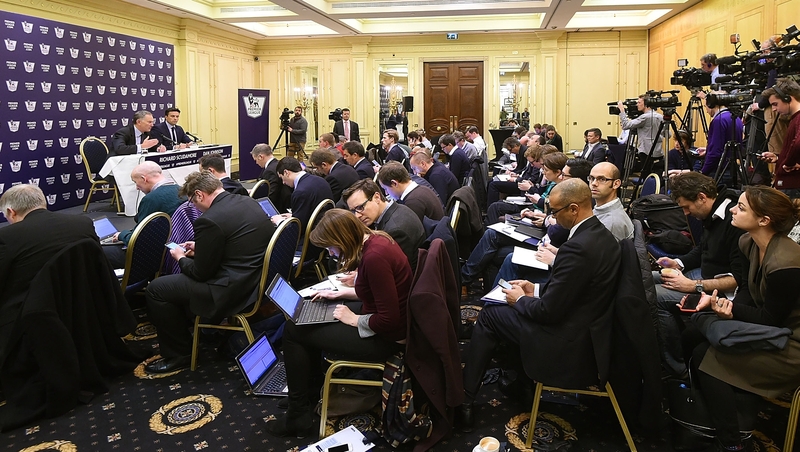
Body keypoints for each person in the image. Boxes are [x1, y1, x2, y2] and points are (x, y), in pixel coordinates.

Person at [458, 179, 621, 431]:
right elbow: (574, 290)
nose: (551, 217)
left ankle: (466, 399)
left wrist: (520, 299)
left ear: (574, 209)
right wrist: (533, 288)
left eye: (554, 212)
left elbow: (548, 312)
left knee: (491, 316)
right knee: (502, 311)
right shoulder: (600, 235)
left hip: (569, 342)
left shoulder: (577, 247)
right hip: (589, 329)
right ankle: (520, 383)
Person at [265, 209, 410, 438]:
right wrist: (342, 292)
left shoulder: (374, 258)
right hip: (382, 322)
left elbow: (388, 319)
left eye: (330, 247)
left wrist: (354, 320)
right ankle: (308, 394)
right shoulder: (376, 240)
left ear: (342, 239)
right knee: (304, 321)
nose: (331, 253)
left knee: (294, 331)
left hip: (387, 338)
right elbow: (378, 293)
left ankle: (298, 415)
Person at [680, 186, 800, 452]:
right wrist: (720, 307)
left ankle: (731, 442)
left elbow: (771, 318)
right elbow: (747, 288)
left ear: (764, 221)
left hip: (791, 342)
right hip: (771, 325)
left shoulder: (786, 263)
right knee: (694, 333)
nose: (732, 208)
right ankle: (722, 414)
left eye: (741, 207)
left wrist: (728, 310)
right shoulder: (748, 242)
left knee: (708, 356)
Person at [144, 171, 275, 373]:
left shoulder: (209, 219)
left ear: (199, 194)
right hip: (257, 278)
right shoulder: (246, 201)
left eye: (193, 203)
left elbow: (200, 274)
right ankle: (202, 329)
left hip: (231, 289)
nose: (195, 208)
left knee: (156, 289)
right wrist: (202, 247)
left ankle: (179, 354)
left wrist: (180, 257)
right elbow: (237, 241)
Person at [653, 172, 746, 376]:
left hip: (722, 293)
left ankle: (678, 367)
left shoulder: (733, 220)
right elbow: (703, 249)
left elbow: (737, 280)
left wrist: (692, 286)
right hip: (706, 277)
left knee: (652, 296)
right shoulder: (713, 211)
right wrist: (678, 263)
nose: (686, 213)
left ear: (702, 197)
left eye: (687, 207)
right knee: (650, 277)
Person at [0, 184, 99, 315]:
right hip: (85, 304)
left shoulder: (7, 236)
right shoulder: (83, 223)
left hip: (31, 316)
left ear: (11, 212)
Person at [103, 161, 185, 269]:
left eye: (135, 182)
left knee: (100, 252)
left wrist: (121, 235)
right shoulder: (181, 190)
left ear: (144, 179)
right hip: (178, 246)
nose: (137, 187)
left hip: (156, 255)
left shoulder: (151, 199)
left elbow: (138, 240)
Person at [343, 179, 426, 269]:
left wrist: (357, 277)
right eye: (353, 211)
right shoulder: (398, 208)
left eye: (360, 207)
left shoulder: (395, 231)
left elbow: (394, 270)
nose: (357, 215)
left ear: (377, 197)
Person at [760, 78, 800, 199]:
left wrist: (788, 163)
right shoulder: (794, 119)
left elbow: (798, 143)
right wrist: (779, 158)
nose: (774, 109)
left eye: (775, 104)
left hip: (792, 187)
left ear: (788, 98)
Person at [272, 157, 334, 231]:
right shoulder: (321, 180)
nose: (283, 182)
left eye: (282, 178)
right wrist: (293, 216)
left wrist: (279, 221)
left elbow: (296, 229)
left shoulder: (300, 192)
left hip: (311, 237)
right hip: (327, 229)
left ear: (286, 172)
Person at [696, 92, 743, 185]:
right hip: (733, 169)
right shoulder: (735, 118)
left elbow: (715, 152)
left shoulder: (719, 120)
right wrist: (707, 150)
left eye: (705, 106)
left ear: (711, 104)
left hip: (720, 172)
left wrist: (703, 172)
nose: (706, 110)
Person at [377, 161, 444, 223]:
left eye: (386, 188)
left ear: (394, 183)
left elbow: (411, 232)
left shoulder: (413, 202)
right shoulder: (422, 189)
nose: (386, 193)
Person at [618, 94, 667, 173]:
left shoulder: (644, 118)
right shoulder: (661, 117)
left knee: (645, 175)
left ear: (646, 104)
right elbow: (668, 134)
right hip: (658, 152)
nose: (637, 104)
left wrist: (622, 111)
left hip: (645, 152)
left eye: (639, 102)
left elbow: (625, 125)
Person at [251, 143, 287, 210]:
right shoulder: (278, 164)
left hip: (278, 208)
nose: (256, 163)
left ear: (260, 157)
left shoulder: (269, 171)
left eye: (256, 160)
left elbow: (271, 195)